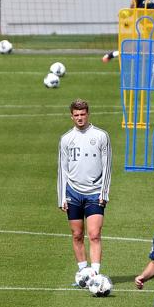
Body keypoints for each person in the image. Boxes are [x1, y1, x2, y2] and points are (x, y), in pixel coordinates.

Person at [57, 99, 112, 286]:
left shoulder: (101, 136)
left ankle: (95, 274)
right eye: (76, 115)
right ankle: (83, 273)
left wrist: (104, 193)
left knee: (94, 234)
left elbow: (108, 167)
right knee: (77, 234)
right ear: (71, 116)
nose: (80, 118)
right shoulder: (66, 139)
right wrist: (61, 196)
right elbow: (62, 169)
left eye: (83, 114)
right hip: (73, 192)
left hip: (95, 193)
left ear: (88, 114)